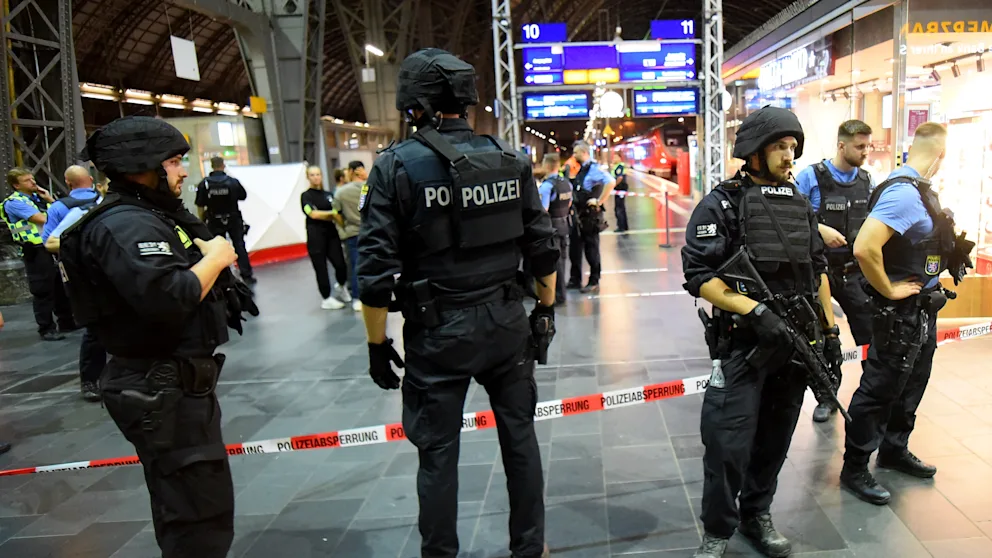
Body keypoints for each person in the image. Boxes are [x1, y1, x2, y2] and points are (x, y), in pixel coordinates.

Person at [358, 48, 557, 558]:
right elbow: (543, 246)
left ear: (415, 105)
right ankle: (530, 549)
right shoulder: (511, 161)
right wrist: (545, 311)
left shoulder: (394, 167)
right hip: (507, 323)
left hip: (437, 332)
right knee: (520, 442)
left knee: (438, 455)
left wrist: (377, 344)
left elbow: (376, 273)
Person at [58, 116, 256, 558]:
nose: (183, 171)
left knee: (195, 506)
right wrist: (218, 256)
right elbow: (171, 295)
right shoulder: (126, 225)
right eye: (173, 162)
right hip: (160, 388)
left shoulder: (149, 215)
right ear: (140, 166)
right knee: (196, 518)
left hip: (173, 385)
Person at [681, 106, 838, 558]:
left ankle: (757, 513)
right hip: (744, 345)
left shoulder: (798, 202)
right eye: (780, 147)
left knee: (775, 437)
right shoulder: (722, 203)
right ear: (753, 151)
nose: (790, 157)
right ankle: (717, 530)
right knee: (727, 443)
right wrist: (753, 311)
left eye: (793, 148)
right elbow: (699, 275)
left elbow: (817, 271)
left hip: (793, 344)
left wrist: (828, 335)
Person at [842, 122, 967, 505]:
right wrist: (889, 289)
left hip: (922, 310)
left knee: (913, 381)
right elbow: (865, 247)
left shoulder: (920, 191)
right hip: (899, 314)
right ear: (941, 154)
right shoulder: (904, 193)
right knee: (880, 387)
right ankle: (856, 467)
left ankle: (894, 449)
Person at [794, 120, 876, 422]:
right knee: (824, 337)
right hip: (820, 272)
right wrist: (820, 229)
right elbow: (791, 219)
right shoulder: (811, 178)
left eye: (868, 145)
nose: (865, 152)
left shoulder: (868, 181)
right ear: (841, 145)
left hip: (855, 272)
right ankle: (827, 397)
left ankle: (873, 396)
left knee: (869, 335)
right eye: (859, 146)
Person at [42, 166, 105, 402]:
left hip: (104, 275)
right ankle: (91, 380)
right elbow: (51, 241)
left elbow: (48, 241)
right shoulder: (80, 209)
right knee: (96, 328)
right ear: (92, 181)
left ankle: (98, 379)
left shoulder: (107, 204)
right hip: (93, 276)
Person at [1, 168, 75, 340]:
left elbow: (59, 214)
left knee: (59, 285)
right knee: (43, 289)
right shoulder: (15, 202)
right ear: (16, 185)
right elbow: (42, 219)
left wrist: (49, 199)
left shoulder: (37, 198)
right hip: (35, 249)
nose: (33, 182)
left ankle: (66, 321)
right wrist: (53, 208)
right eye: (27, 180)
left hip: (50, 246)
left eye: (32, 178)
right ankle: (46, 328)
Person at [566, 141, 615, 294]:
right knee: (574, 249)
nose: (574, 156)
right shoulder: (582, 169)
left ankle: (594, 280)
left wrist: (599, 201)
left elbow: (611, 182)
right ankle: (575, 279)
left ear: (585, 153)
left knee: (591, 249)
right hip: (578, 215)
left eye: (576, 153)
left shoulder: (594, 169)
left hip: (589, 217)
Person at [195, 157, 254, 284]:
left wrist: (202, 222)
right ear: (223, 165)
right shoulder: (232, 182)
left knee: (217, 249)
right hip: (233, 218)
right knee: (239, 245)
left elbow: (200, 204)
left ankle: (222, 277)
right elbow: (243, 196)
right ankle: (247, 274)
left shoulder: (204, 184)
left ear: (211, 166)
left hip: (214, 220)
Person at [300, 166, 351, 309]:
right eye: (312, 175)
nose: (315, 177)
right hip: (315, 237)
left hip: (332, 235)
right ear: (308, 177)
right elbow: (312, 213)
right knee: (321, 268)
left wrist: (329, 214)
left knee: (341, 264)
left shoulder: (329, 195)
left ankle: (341, 286)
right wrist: (331, 214)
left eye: (318, 174)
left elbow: (338, 212)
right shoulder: (306, 196)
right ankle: (326, 298)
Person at [538, 153, 572, 305]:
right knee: (563, 261)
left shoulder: (547, 186)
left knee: (554, 263)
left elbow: (543, 209)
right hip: (565, 225)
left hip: (551, 228)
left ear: (547, 165)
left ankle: (558, 296)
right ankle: (561, 292)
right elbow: (569, 203)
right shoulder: (566, 183)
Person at [333, 160, 366, 311]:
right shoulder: (369, 188)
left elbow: (336, 214)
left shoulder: (340, 192)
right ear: (358, 171)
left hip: (352, 233)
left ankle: (357, 298)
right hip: (371, 231)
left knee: (354, 266)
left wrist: (345, 226)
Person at [611, 151, 629, 233]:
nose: (613, 159)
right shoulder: (617, 166)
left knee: (619, 208)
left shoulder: (620, 167)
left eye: (615, 157)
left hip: (620, 188)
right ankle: (624, 226)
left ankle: (621, 227)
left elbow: (620, 178)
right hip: (620, 189)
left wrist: (613, 185)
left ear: (620, 158)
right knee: (621, 207)